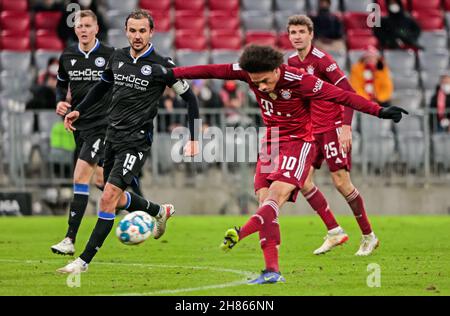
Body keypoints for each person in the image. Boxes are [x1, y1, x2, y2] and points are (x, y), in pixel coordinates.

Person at [153, 44, 408, 284]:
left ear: (277, 70)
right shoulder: (247, 73)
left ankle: (240, 232)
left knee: (276, 196)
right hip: (271, 142)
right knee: (265, 203)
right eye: (256, 83)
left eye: (265, 80)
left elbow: (342, 95)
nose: (261, 87)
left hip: (299, 143)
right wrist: (172, 74)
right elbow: (211, 70)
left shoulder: (302, 81)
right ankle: (272, 271)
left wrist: (379, 111)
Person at [57, 9, 200, 274]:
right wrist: (80, 110)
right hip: (112, 136)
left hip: (136, 141)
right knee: (118, 197)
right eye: (132, 30)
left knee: (107, 197)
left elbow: (191, 99)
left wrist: (194, 137)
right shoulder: (117, 57)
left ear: (151, 33)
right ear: (126, 31)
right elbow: (101, 87)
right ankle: (159, 210)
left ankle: (83, 261)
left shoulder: (162, 65)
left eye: (142, 31)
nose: (137, 36)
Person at [287, 15, 380, 256]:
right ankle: (334, 231)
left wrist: (346, 127)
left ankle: (369, 236)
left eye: (300, 32)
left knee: (341, 182)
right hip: (310, 130)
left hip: (331, 126)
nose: (296, 36)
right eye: (292, 32)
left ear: (310, 34)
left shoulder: (322, 61)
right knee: (303, 180)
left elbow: (349, 93)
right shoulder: (290, 62)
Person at [50, 9, 115, 256]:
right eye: (80, 26)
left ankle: (69, 239)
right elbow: (60, 83)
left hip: (103, 125)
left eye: (88, 25)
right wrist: (60, 102)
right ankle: (151, 210)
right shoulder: (67, 55)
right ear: (75, 29)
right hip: (79, 125)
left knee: (79, 177)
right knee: (102, 183)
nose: (84, 30)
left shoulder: (109, 55)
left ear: (96, 28)